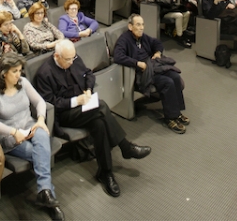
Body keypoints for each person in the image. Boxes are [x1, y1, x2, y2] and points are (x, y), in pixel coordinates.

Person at [34, 40, 151, 197]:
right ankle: (125, 147)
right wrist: (77, 101)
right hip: (64, 114)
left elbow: (88, 74)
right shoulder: (44, 73)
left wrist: (88, 89)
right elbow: (50, 103)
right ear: (57, 56)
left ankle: (106, 172)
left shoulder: (74, 59)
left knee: (99, 123)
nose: (71, 61)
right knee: (101, 107)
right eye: (68, 59)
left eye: (72, 58)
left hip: (85, 107)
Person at [0, 52, 63, 220]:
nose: (18, 75)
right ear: (4, 73)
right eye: (15, 71)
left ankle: (44, 191)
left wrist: (40, 120)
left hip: (29, 126)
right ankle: (48, 196)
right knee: (42, 153)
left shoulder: (23, 83)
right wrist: (14, 132)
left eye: (20, 70)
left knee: (41, 136)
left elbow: (40, 102)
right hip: (12, 138)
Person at [113, 14, 188, 134]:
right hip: (141, 74)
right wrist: (137, 63)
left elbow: (157, 43)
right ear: (130, 26)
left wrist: (158, 52)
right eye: (138, 24)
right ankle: (170, 118)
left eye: (142, 24)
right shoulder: (124, 40)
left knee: (175, 77)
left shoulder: (143, 37)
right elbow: (118, 57)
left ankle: (177, 112)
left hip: (153, 66)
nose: (141, 27)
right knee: (167, 83)